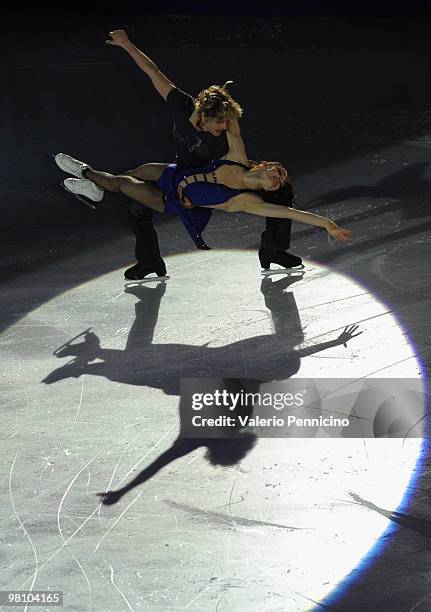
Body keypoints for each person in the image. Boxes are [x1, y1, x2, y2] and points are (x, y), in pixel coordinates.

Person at [56, 29, 301, 279]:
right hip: (181, 172)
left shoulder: (224, 133)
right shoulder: (182, 105)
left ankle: (274, 250)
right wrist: (127, 44)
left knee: (281, 194)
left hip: (219, 182)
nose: (221, 131)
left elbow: (233, 130)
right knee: (136, 204)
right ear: (203, 116)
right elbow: (154, 72)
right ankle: (148, 260)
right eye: (218, 126)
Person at [54, 118, 351, 266]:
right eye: (279, 173)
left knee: (123, 185)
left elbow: (286, 212)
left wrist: (328, 224)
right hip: (175, 173)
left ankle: (85, 172)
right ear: (265, 166)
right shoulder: (236, 157)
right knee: (142, 170)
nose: (278, 179)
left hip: (172, 201)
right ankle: (96, 191)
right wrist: (223, 100)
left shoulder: (246, 202)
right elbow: (234, 127)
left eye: (280, 183)